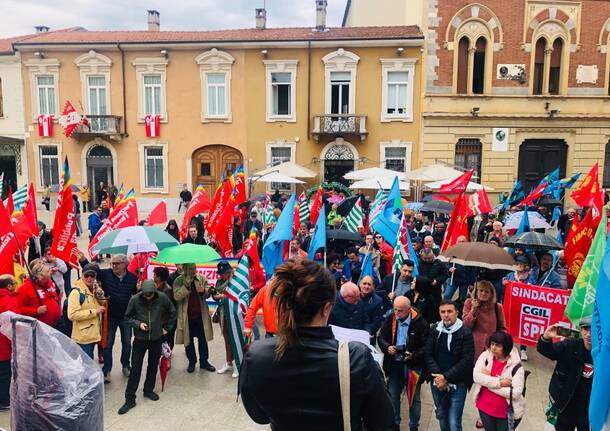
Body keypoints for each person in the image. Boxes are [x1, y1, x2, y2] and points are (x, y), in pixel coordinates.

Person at [239, 259, 394, 430]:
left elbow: (259, 416)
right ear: (327, 308)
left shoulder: (256, 354)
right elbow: (383, 423)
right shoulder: (357, 357)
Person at [118, 280, 176, 415]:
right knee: (136, 368)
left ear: (155, 293)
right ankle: (130, 398)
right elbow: (127, 317)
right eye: (145, 295)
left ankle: (148, 389)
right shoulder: (135, 299)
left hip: (156, 338)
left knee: (153, 365)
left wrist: (167, 328)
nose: (147, 297)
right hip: (140, 339)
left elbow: (172, 312)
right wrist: (138, 324)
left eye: (150, 295)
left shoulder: (162, 298)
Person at [378, 296, 430, 431]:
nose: (396, 313)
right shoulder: (391, 318)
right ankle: (395, 424)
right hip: (394, 364)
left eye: (400, 310)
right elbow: (381, 337)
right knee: (393, 396)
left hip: (412, 366)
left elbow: (427, 347)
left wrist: (413, 356)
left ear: (409, 309)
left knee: (414, 399)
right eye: (394, 309)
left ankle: (414, 426)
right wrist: (387, 347)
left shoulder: (421, 323)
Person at [425, 300, 475, 431]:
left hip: (458, 384)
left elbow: (466, 360)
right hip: (437, 383)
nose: (446, 315)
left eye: (449, 311)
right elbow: (428, 354)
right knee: (442, 417)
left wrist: (445, 378)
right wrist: (438, 377)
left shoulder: (465, 333)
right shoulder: (434, 330)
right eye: (443, 312)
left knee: (454, 423)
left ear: (456, 313)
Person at [537, 317, 593, 431]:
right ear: (581, 330)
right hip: (565, 405)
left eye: (593, 330)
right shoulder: (570, 345)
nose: (589, 334)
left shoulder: (604, 354)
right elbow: (548, 351)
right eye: (585, 329)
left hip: (589, 410)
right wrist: (546, 337)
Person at [472, 331, 526, 431]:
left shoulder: (516, 367)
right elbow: (476, 377)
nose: (493, 348)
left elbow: (515, 393)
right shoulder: (485, 356)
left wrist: (488, 382)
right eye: (492, 344)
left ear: (506, 347)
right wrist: (499, 382)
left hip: (504, 413)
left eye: (498, 345)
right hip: (484, 407)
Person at [99, 254, 139, 382]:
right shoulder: (106, 274)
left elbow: (136, 297)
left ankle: (126, 366)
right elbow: (90, 270)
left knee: (127, 343)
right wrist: (83, 259)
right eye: (112, 263)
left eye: (117, 263)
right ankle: (107, 369)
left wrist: (138, 290)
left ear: (125, 264)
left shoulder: (133, 278)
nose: (114, 266)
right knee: (108, 344)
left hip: (126, 317)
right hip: (110, 317)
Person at [173, 263, 215, 373]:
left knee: (203, 340)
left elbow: (208, 293)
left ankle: (204, 361)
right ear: (185, 269)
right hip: (187, 316)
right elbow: (176, 296)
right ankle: (192, 361)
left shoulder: (201, 278)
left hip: (200, 315)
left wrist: (203, 292)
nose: (194, 270)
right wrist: (185, 287)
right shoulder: (179, 280)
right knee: (188, 341)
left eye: (195, 268)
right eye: (191, 268)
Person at [67, 264, 106, 358]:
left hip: (91, 335)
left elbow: (103, 304)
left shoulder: (92, 288)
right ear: (82, 276)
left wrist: (100, 295)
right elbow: (72, 315)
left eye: (92, 276)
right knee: (86, 366)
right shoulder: (76, 292)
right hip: (83, 338)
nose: (89, 278)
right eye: (86, 275)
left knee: (88, 363)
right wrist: (94, 312)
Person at [462, 281, 506, 359]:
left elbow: (502, 328)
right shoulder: (469, 303)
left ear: (491, 294)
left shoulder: (497, 307)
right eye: (481, 290)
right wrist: (473, 309)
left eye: (486, 291)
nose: (483, 293)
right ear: (476, 291)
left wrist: (500, 342)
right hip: (472, 346)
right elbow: (466, 325)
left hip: (491, 347)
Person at [211, 261, 239, 378]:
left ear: (229, 272)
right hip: (223, 313)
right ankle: (229, 363)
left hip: (234, 313)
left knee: (235, 339)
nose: (220, 276)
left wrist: (223, 296)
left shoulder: (236, 282)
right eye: (220, 273)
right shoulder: (220, 282)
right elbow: (216, 294)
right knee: (227, 338)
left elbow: (237, 295)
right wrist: (216, 295)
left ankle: (238, 365)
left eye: (223, 274)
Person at [16, 259, 62, 328]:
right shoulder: (25, 289)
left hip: (57, 323)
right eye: (48, 271)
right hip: (41, 328)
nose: (51, 272)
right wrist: (36, 311)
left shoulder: (49, 281)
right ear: (40, 276)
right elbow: (18, 309)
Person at [0, 275, 20, 409]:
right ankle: (4, 401)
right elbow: (16, 321)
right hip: (4, 344)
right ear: (9, 286)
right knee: (5, 373)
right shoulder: (8, 301)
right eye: (15, 283)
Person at [153, 266, 177, 350]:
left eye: (154, 275)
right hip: (157, 322)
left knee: (166, 345)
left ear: (159, 277)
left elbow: (163, 307)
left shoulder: (167, 290)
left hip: (164, 323)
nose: (153, 276)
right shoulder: (155, 286)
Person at [359, 276, 384, 342]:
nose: (366, 286)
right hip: (353, 333)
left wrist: (365, 333)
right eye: (364, 283)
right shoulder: (353, 296)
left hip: (368, 336)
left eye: (369, 284)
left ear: (373, 286)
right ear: (360, 284)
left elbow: (376, 323)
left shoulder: (378, 301)